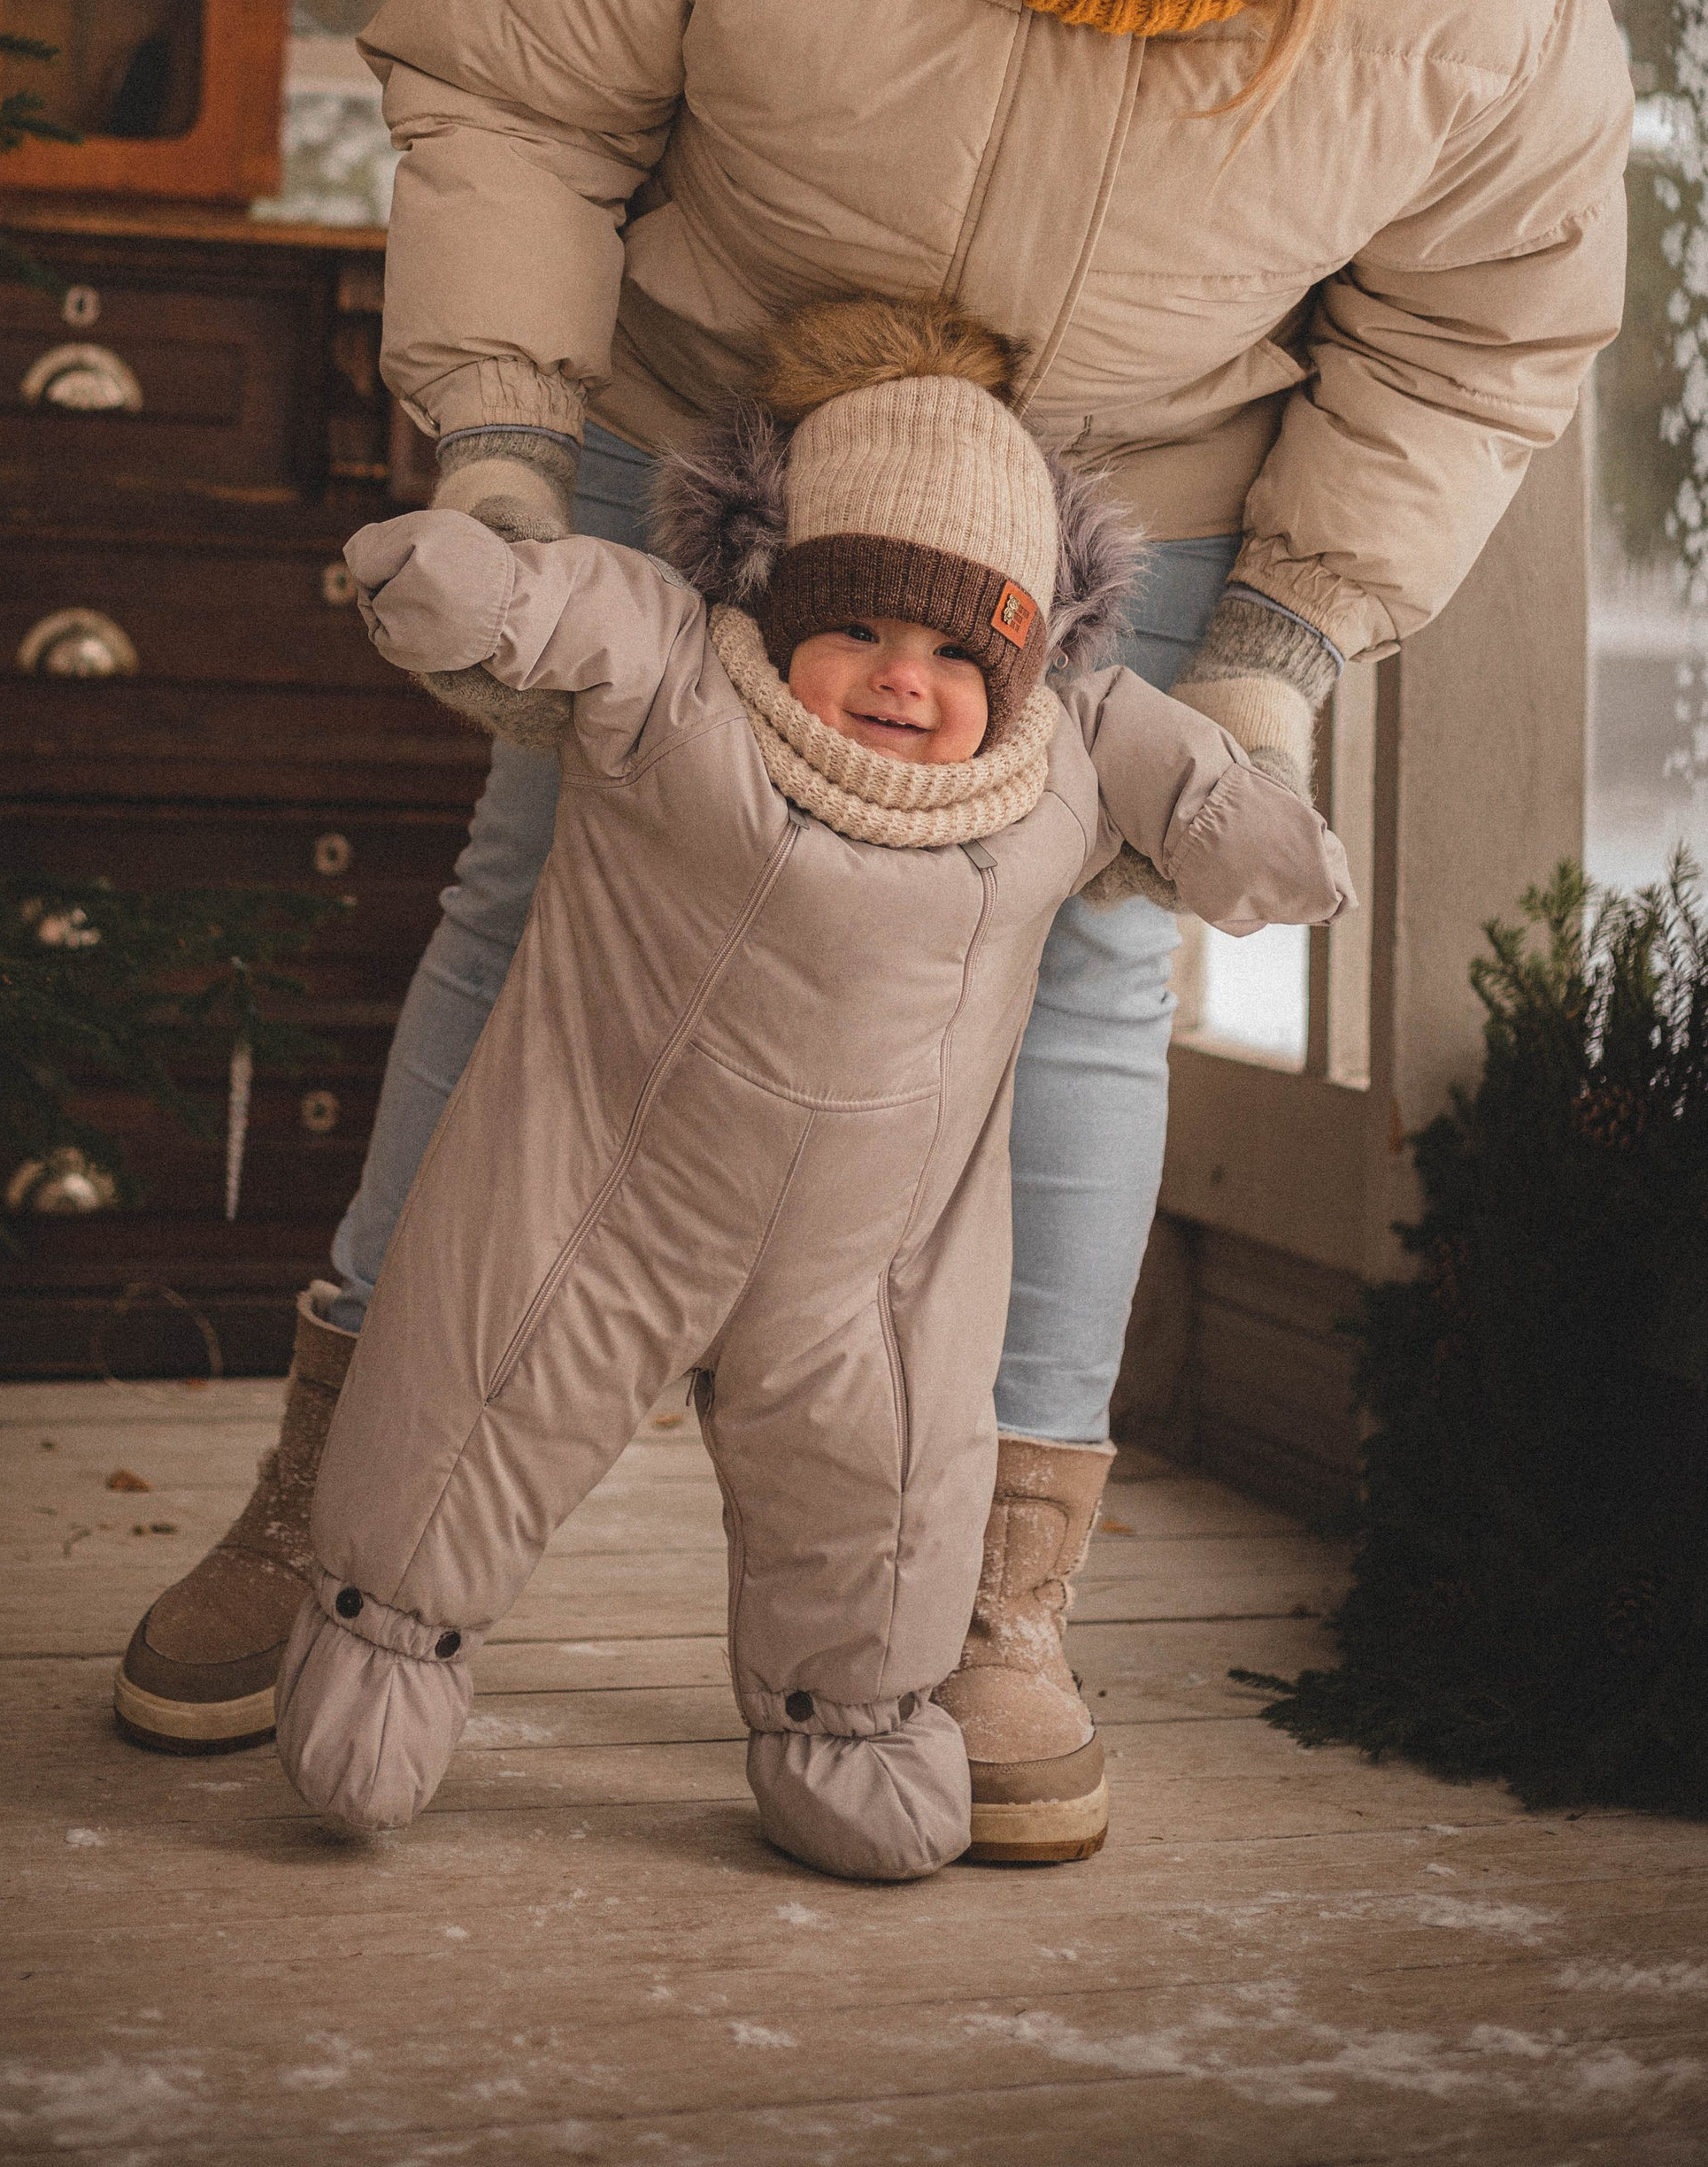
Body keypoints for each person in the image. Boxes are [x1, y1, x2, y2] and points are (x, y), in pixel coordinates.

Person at [115, 0, 1630, 1862]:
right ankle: (329, 1496)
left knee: (1103, 970)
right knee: (529, 894)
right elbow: (518, 83)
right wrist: (502, 457)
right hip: (712, 422)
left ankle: (985, 1601)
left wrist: (1269, 664)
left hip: (1137, 498)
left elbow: (1489, 325)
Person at [272, 296, 1351, 1883]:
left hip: (870, 1267)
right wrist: (471, 574)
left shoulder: (1060, 754)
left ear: (1026, 654)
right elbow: (559, 605)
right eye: (856, 627)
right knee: (472, 1393)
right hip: (602, 1193)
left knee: (889, 1489)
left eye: (952, 647)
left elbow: (1188, 783)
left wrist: (1252, 817)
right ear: (779, 607)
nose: (902, 679)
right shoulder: (684, 681)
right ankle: (385, 1646)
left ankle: (847, 1723)